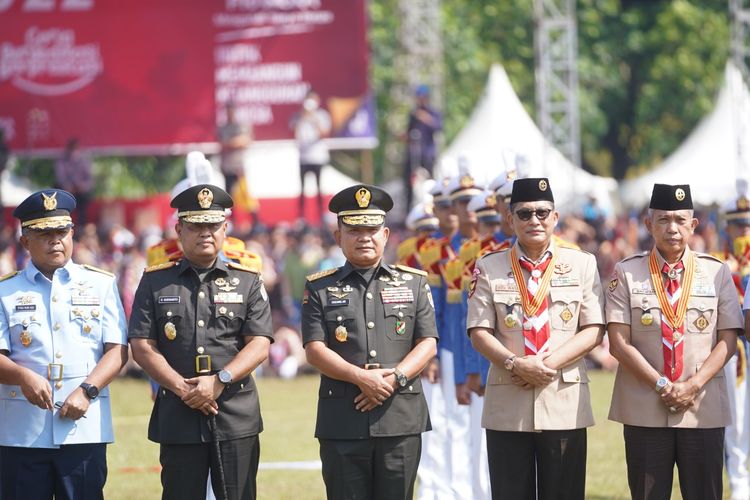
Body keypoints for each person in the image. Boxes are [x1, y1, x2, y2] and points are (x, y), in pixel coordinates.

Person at [129, 184, 273, 500]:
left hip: (234, 411)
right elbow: (142, 345)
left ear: (225, 229)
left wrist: (220, 380)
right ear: (179, 229)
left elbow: (260, 342)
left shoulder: (247, 279)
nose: (205, 233)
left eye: (212, 225)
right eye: (196, 225)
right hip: (179, 412)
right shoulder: (155, 280)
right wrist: (184, 389)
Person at [467, 177, 605, 500]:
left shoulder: (582, 264)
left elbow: (594, 329)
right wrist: (515, 363)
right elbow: (478, 331)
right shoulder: (489, 267)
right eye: (525, 214)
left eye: (542, 213)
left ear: (555, 218)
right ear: (509, 219)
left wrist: (546, 365)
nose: (535, 221)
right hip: (509, 402)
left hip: (563, 399)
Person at [606, 183, 743, 500]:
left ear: (693, 225)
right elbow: (618, 342)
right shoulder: (627, 273)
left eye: (680, 220)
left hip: (703, 407)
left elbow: (728, 338)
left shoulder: (717, 273)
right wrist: (661, 385)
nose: (672, 228)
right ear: (648, 224)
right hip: (645, 406)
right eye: (663, 219)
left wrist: (692, 385)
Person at [301, 184, 438, 500]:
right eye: (354, 229)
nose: (365, 236)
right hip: (343, 419)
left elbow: (427, 342)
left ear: (386, 234)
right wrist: (360, 377)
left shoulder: (413, 282)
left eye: (372, 229)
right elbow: (314, 349)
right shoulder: (319, 288)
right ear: (338, 237)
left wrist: (395, 378)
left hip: (400, 418)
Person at [0, 189, 129, 499]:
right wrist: (23, 376)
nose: (55, 240)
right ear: (25, 241)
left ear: (73, 234)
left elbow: (117, 350)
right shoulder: (6, 291)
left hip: (83, 424)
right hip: (22, 429)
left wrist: (88, 390)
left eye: (62, 231)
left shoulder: (101, 283)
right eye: (44, 233)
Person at [719, 179, 750, 500]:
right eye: (738, 226)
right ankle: (739, 481)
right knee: (737, 420)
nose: (744, 233)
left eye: (748, 226)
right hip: (735, 350)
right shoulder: (717, 262)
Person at [290, 89, 331, 224]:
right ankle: (301, 216)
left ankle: (322, 215)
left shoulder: (322, 115)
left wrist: (314, 119)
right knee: (302, 188)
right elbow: (293, 131)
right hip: (303, 157)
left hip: (318, 157)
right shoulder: (299, 116)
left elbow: (325, 133)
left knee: (319, 187)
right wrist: (303, 117)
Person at [404, 85, 442, 210]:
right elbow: (410, 132)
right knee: (409, 182)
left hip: (428, 154)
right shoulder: (413, 114)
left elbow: (437, 128)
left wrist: (425, 117)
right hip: (414, 153)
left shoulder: (434, 113)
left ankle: (434, 207)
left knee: (431, 181)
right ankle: (410, 209)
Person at [54, 138, 94, 226]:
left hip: (81, 191)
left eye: (75, 148)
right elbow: (60, 178)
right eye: (72, 148)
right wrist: (69, 187)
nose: (74, 151)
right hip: (66, 190)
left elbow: (89, 179)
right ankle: (63, 225)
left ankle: (81, 227)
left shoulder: (84, 161)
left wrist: (81, 186)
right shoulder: (61, 161)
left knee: (84, 201)